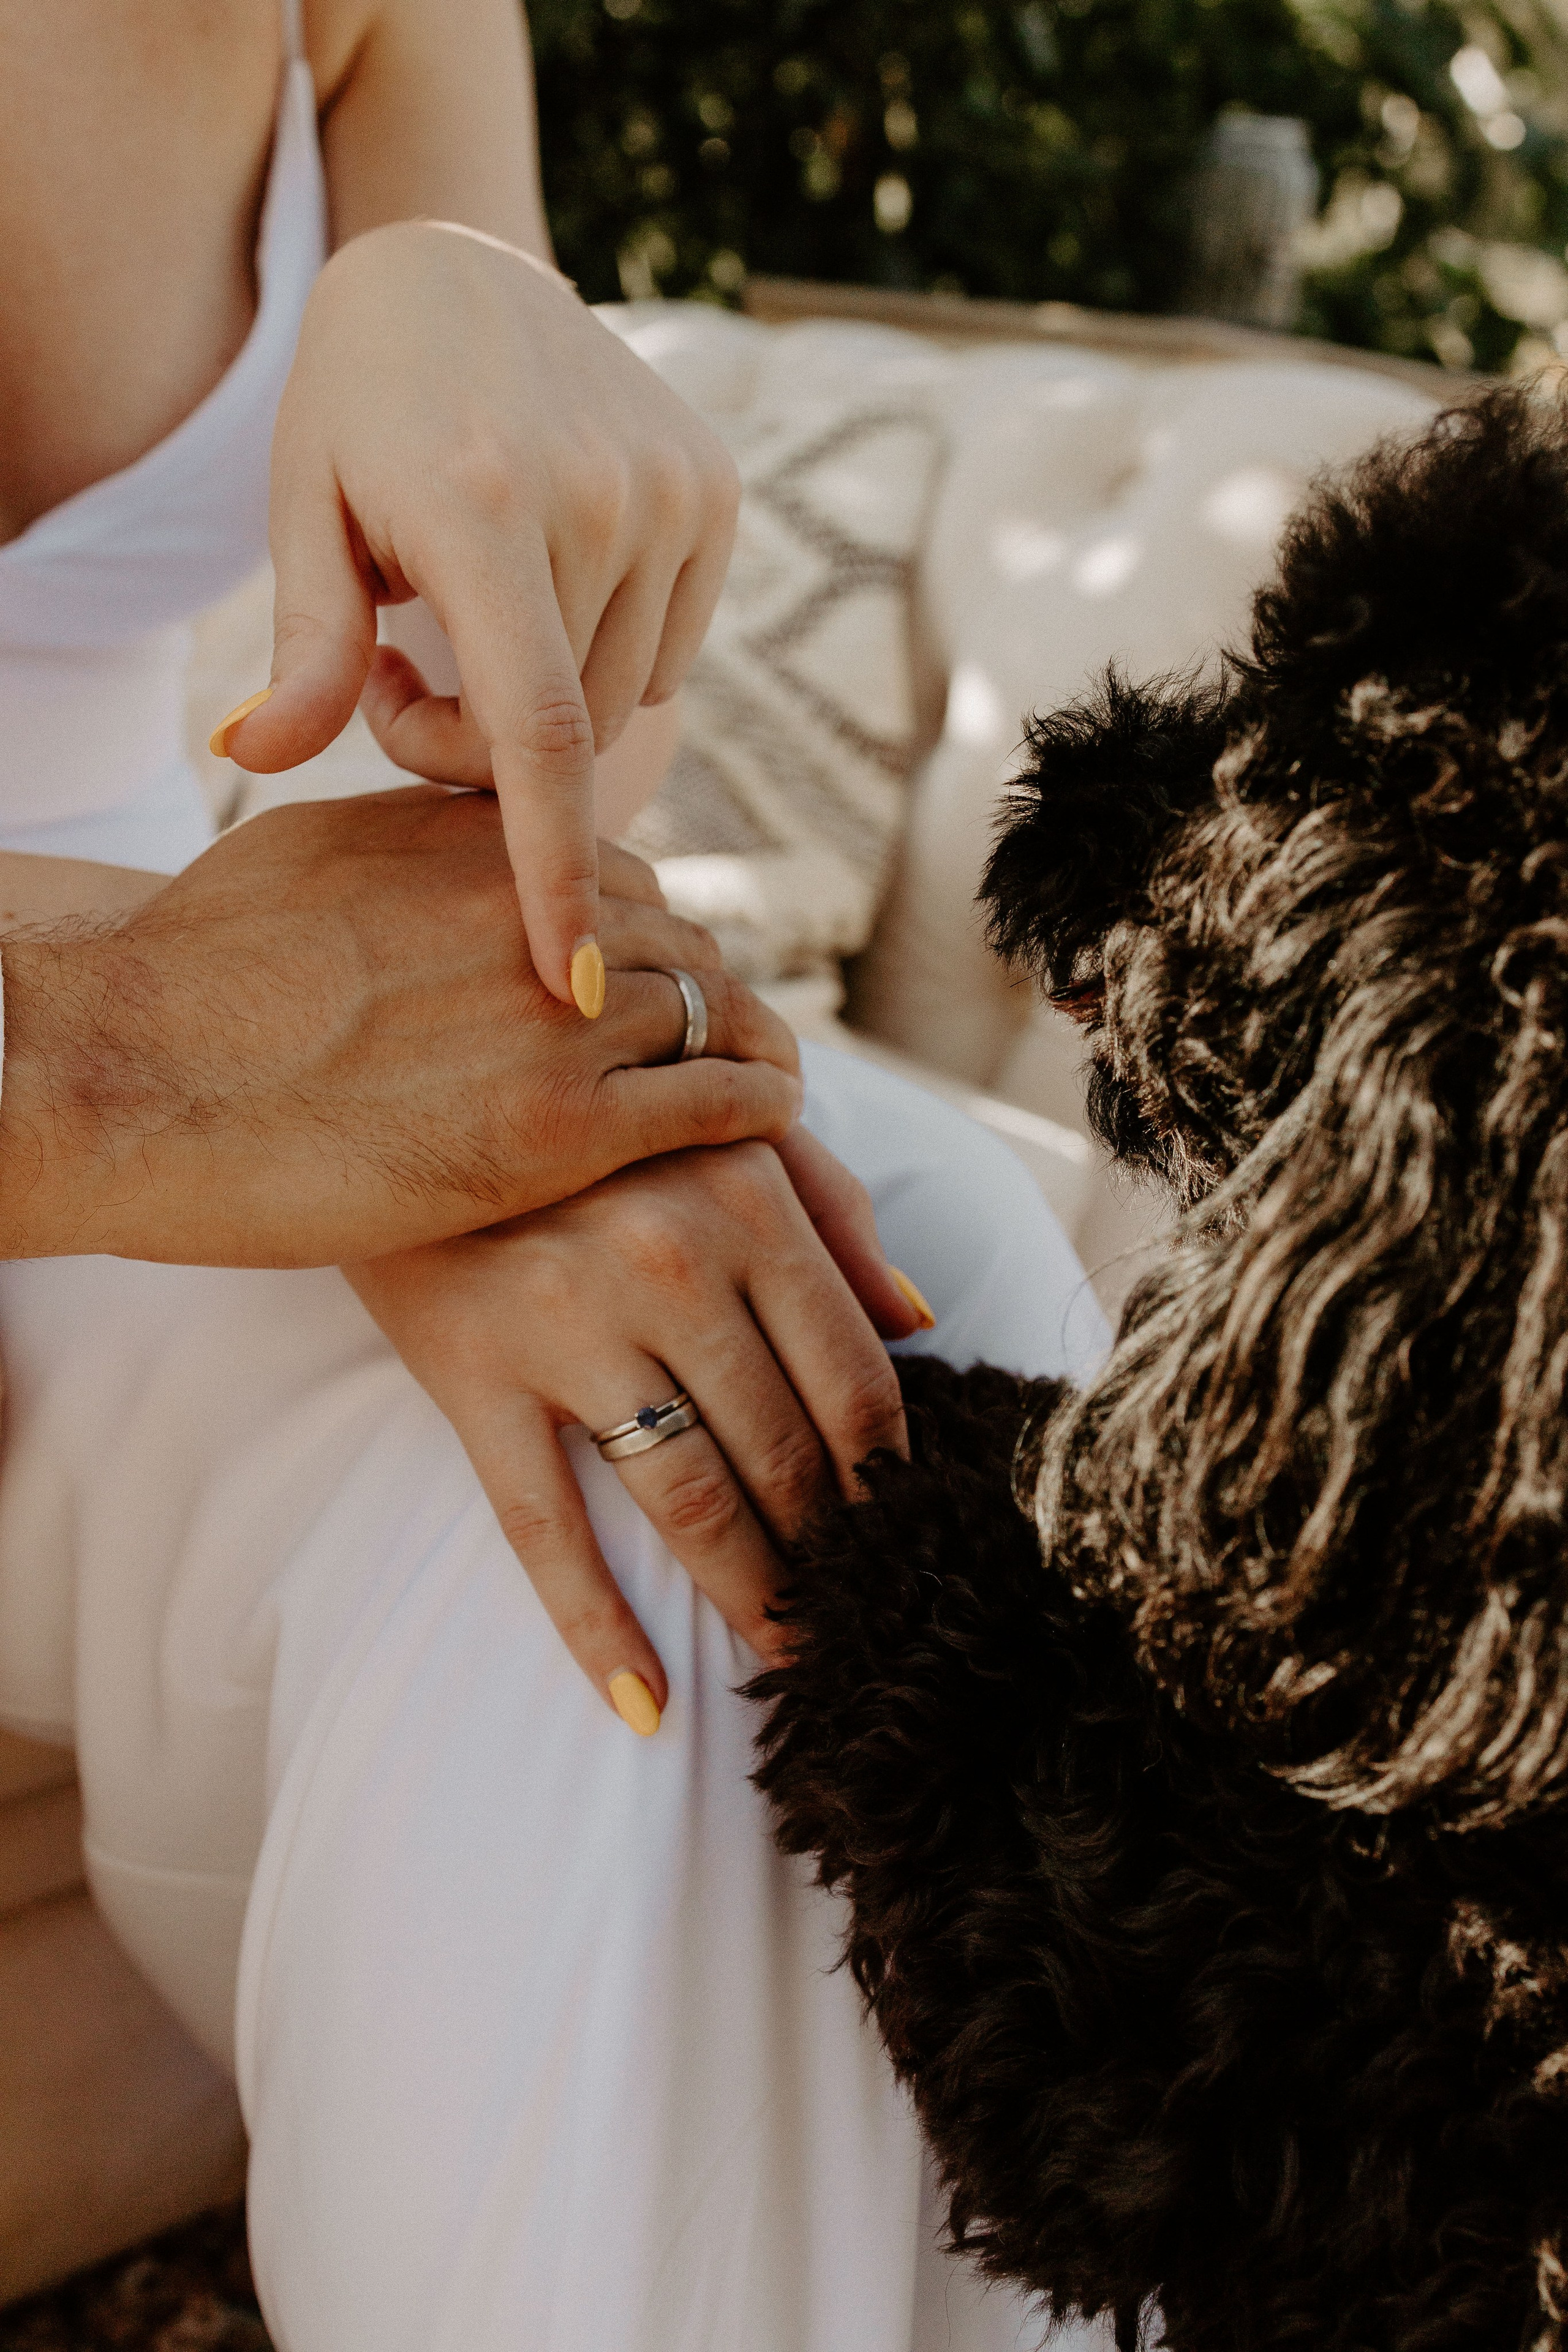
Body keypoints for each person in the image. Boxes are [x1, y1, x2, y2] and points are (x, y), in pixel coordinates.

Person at [0, 2, 1109, 2343]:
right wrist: (191, 1064)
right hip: (56, 1075)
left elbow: (544, 756)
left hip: (136, 1046)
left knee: (831, 1275)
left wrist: (479, 364)